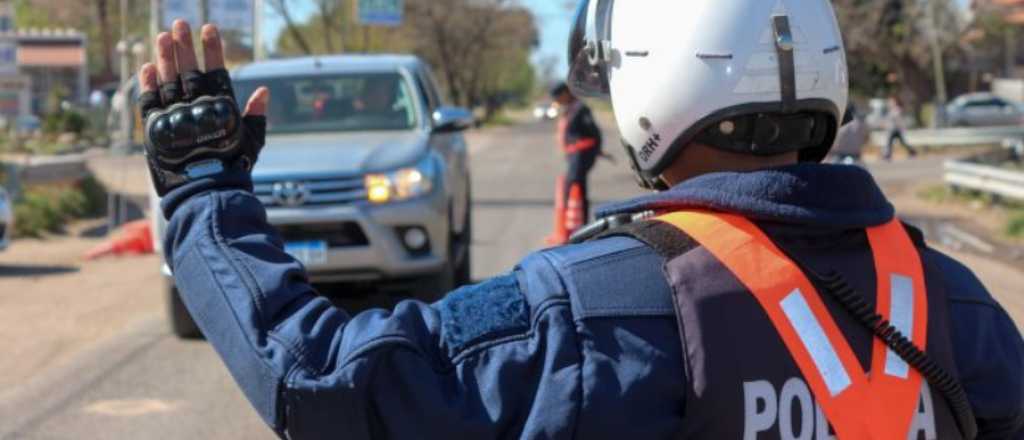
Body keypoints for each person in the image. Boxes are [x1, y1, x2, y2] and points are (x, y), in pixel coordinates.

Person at [140, 5, 1024, 439]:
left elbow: (323, 384)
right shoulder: (958, 306)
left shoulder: (592, 308)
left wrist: (201, 193)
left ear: (648, 81)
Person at [546, 82, 603, 245]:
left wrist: (596, 150)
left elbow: (594, 133)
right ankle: (573, 228)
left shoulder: (581, 109)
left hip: (581, 154)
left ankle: (580, 228)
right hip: (573, 154)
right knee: (574, 186)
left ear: (565, 93)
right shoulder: (569, 109)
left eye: (558, 97)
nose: (558, 101)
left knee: (574, 184)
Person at [885, 95, 918, 160]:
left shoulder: (897, 109)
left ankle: (887, 155)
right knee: (901, 142)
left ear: (895, 102)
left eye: (891, 101)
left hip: (895, 129)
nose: (890, 103)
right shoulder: (891, 110)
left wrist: (901, 127)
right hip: (892, 129)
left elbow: (898, 119)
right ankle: (912, 152)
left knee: (890, 142)